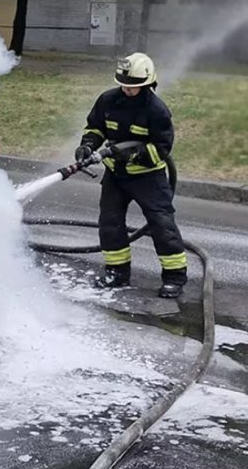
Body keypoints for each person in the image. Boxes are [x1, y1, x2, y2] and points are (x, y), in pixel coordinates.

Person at [75, 52, 188, 299]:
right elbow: (95, 127)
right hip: (116, 176)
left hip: (148, 179)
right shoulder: (107, 101)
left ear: (147, 83)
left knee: (162, 225)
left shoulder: (156, 111)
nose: (127, 89)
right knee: (110, 222)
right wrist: (87, 145)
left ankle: (174, 277)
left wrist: (133, 154)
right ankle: (117, 272)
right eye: (124, 84)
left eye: (133, 86)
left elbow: (161, 149)